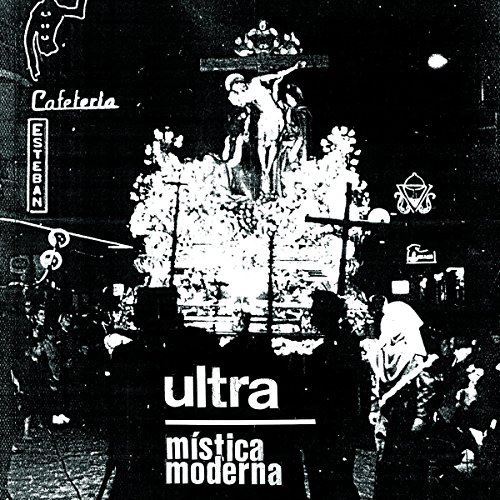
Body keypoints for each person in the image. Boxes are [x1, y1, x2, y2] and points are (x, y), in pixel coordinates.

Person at [360, 296, 438, 500]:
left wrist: (421, 416)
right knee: (389, 467)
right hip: (391, 419)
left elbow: (425, 388)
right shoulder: (384, 354)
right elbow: (377, 384)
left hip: (406, 418)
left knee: (405, 469)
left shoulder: (413, 356)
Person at [225, 60, 306, 195]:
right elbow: (242, 107)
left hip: (275, 115)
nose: (240, 86)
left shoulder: (256, 81)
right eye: (236, 87)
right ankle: (264, 171)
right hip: (264, 117)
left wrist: (294, 67)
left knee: (273, 143)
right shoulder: (244, 96)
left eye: (239, 83)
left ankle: (267, 170)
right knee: (261, 143)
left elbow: (278, 75)